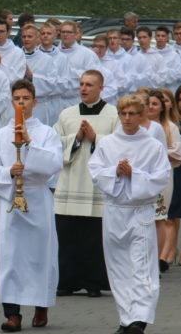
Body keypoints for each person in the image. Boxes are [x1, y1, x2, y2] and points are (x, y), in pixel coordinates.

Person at [0, 79, 62, 332]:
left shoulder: (46, 133)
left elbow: (53, 163)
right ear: (11, 101)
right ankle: (12, 313)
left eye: (26, 99)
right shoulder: (0, 135)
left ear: (34, 102)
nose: (21, 103)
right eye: (17, 99)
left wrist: (29, 143)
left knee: (41, 255)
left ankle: (41, 306)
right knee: (11, 257)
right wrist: (9, 171)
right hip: (11, 202)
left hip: (37, 198)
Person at [88, 95, 170, 334]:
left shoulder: (152, 145)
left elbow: (160, 177)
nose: (127, 119)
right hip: (115, 211)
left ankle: (140, 319)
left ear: (142, 115)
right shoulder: (107, 143)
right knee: (118, 267)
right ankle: (126, 318)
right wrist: (115, 170)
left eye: (132, 114)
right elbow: (95, 170)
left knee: (142, 266)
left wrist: (133, 173)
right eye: (123, 114)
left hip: (139, 212)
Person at [53, 70, 119, 298]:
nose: (83, 88)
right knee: (68, 233)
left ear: (101, 87)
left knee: (93, 236)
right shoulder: (67, 114)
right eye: (81, 84)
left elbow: (120, 146)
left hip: (96, 186)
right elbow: (54, 144)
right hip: (71, 182)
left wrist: (96, 139)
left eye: (89, 85)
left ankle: (94, 282)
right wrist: (76, 139)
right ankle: (67, 281)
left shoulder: (114, 115)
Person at [147, 90, 181, 272]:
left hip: (162, 178)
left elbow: (178, 152)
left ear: (162, 107)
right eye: (148, 104)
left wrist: (158, 152)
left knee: (161, 217)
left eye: (155, 104)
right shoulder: (140, 126)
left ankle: (160, 257)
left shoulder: (169, 127)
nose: (151, 107)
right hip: (142, 178)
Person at [21, 24, 58, 125]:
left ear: (37, 38)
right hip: (19, 105)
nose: (26, 39)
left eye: (29, 37)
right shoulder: (17, 56)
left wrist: (32, 77)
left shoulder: (47, 60)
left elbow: (51, 84)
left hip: (39, 106)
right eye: (24, 37)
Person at [59, 21, 101, 108]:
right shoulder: (54, 54)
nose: (65, 35)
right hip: (57, 100)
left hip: (77, 99)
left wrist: (71, 72)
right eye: (63, 32)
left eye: (69, 32)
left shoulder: (87, 54)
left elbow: (93, 77)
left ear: (75, 34)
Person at [38, 22, 73, 122]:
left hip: (54, 102)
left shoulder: (62, 58)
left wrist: (45, 85)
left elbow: (65, 84)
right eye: (43, 33)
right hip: (37, 102)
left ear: (54, 36)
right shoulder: (34, 56)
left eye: (48, 33)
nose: (45, 36)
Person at [170, 84, 181, 266]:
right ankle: (170, 248)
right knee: (173, 210)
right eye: (180, 99)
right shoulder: (174, 122)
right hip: (177, 168)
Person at [0, 18, 26, 85]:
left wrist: (0, 66)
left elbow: (18, 78)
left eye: (2, 31)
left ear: (8, 33)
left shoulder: (18, 53)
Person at [155, 26, 181, 92]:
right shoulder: (151, 53)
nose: (160, 38)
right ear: (155, 37)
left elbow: (177, 74)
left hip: (170, 90)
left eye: (163, 36)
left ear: (167, 38)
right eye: (158, 35)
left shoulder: (174, 55)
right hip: (154, 90)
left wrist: (162, 72)